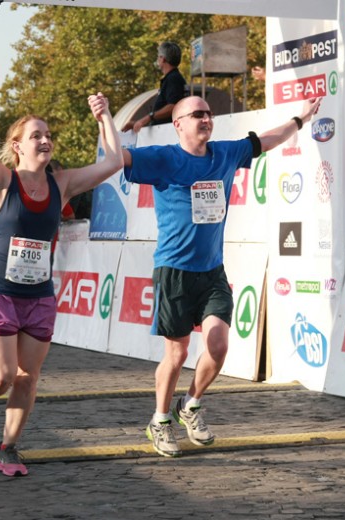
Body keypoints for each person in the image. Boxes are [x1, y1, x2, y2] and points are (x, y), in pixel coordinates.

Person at [121, 94, 322, 457]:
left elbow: (267, 141)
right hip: (174, 272)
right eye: (197, 114)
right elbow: (118, 158)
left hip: (212, 272)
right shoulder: (164, 158)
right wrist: (105, 121)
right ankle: (160, 420)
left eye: (209, 113)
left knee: (218, 346)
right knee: (177, 354)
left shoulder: (225, 154)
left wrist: (300, 119)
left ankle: (190, 404)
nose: (206, 118)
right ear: (178, 124)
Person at [0, 58, 122, 477]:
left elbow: (114, 162)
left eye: (48, 135)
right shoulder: (2, 181)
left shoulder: (61, 183)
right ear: (17, 146)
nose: (45, 140)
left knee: (27, 378)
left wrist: (104, 117)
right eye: (36, 135)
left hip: (39, 297)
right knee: (2, 375)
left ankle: (8, 449)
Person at [121, 42, 187, 134]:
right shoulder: (171, 79)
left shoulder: (173, 79)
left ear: (163, 59)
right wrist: (139, 123)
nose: (157, 60)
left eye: (158, 56)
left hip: (167, 134)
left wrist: (149, 117)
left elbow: (173, 106)